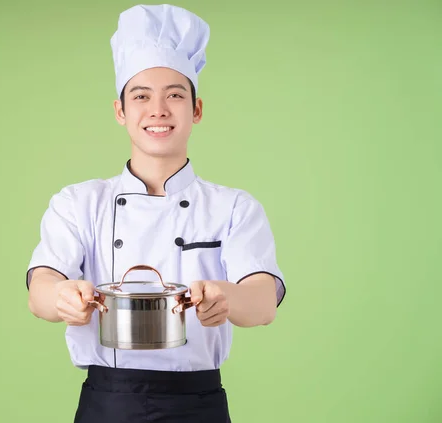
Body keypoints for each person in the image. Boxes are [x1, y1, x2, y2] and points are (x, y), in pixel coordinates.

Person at [26, 4, 286, 422]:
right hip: (108, 402)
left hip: (197, 402)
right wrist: (61, 298)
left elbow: (262, 301)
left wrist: (226, 297)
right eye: (141, 96)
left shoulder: (234, 206)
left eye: (175, 95)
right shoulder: (78, 202)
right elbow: (40, 286)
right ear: (120, 111)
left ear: (196, 109)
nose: (158, 110)